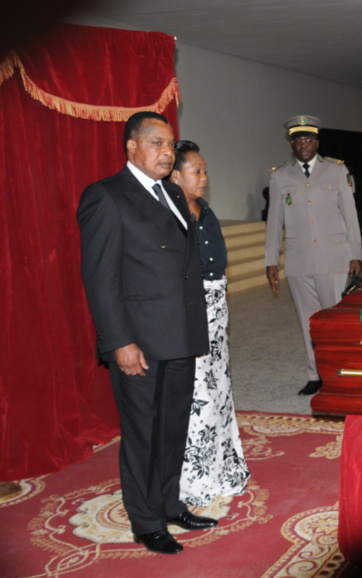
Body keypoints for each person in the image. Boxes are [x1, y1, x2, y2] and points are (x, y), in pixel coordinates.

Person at [77, 111, 217, 555]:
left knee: (173, 427)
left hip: (180, 335)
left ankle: (170, 503)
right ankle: (146, 520)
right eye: (156, 143)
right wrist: (119, 342)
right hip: (139, 341)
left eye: (170, 144)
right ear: (131, 147)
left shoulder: (173, 192)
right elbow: (101, 279)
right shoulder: (106, 196)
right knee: (142, 433)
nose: (166, 152)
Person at [168, 141, 250, 506]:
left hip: (216, 309)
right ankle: (194, 478)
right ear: (174, 174)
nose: (204, 177)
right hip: (186, 311)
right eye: (196, 171)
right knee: (197, 392)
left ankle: (223, 467)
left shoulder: (205, 210)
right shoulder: (166, 213)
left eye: (204, 170)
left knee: (219, 389)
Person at [265, 115, 362, 396]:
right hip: (299, 260)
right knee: (308, 320)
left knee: (332, 320)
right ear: (292, 144)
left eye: (308, 139)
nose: (303, 145)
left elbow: (350, 215)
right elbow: (274, 222)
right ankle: (315, 374)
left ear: (317, 142)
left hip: (334, 257)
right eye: (298, 140)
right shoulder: (280, 176)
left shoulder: (337, 171)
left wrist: (355, 253)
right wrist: (271, 260)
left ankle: (338, 372)